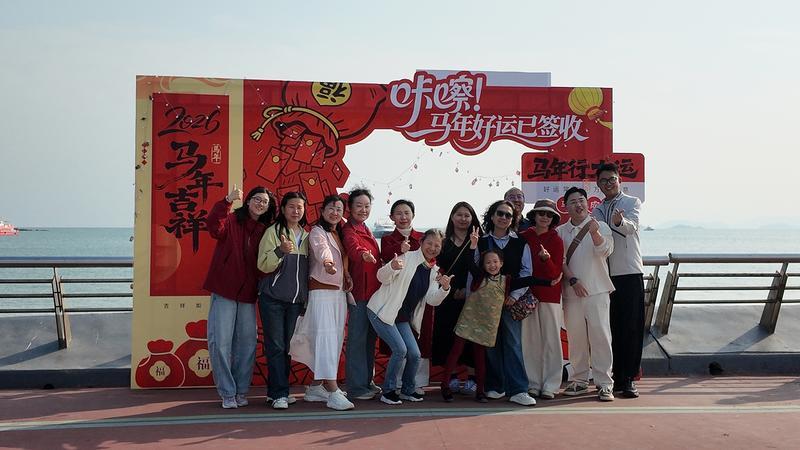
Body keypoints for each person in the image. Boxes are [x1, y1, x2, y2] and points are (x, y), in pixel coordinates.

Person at [441, 239, 558, 403]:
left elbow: (528, 280)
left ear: (501, 263)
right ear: (483, 265)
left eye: (495, 262)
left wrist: (549, 283)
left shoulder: (506, 281)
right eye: (488, 262)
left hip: (486, 325)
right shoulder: (478, 277)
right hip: (468, 321)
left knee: (480, 357)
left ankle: (480, 391)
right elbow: (470, 263)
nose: (492, 265)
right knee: (456, 351)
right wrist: (473, 246)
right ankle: (445, 386)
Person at [205, 184, 276, 409]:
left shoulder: (266, 230)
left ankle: (241, 391)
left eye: (265, 202)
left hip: (248, 294)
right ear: (248, 201)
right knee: (220, 343)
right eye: (257, 199)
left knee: (247, 344)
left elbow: (265, 264)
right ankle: (227, 392)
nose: (260, 204)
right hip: (224, 290)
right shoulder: (232, 220)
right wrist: (227, 200)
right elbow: (213, 227)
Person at [367, 229, 453, 405]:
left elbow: (431, 300)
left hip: (401, 318)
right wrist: (391, 266)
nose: (432, 248)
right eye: (429, 243)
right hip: (381, 312)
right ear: (421, 243)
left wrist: (444, 289)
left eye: (437, 245)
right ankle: (388, 391)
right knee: (400, 350)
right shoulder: (407, 257)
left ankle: (407, 389)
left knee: (415, 354)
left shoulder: (433, 271)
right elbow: (381, 277)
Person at [290, 195, 354, 411]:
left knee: (334, 340)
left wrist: (346, 275)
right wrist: (327, 262)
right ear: (322, 210)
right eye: (331, 208)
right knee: (326, 340)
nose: (335, 213)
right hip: (322, 293)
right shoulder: (317, 231)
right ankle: (333, 391)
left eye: (339, 209)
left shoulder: (338, 232)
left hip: (338, 294)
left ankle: (316, 387)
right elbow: (322, 250)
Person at [469, 200, 537, 406]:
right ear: (492, 216)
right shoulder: (481, 241)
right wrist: (473, 298)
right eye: (500, 213)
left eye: (508, 215)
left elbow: (526, 271)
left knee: (513, 343)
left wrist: (514, 295)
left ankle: (519, 389)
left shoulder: (520, 242)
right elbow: (474, 271)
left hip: (510, 302)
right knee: (490, 344)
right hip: (486, 302)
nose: (504, 218)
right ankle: (496, 386)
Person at [591, 162, 645, 398]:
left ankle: (629, 378)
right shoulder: (596, 210)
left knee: (631, 327)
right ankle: (611, 377)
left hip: (629, 272)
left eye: (612, 179)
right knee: (609, 328)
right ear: (598, 184)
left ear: (619, 180)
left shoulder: (631, 202)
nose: (608, 184)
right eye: (603, 181)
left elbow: (631, 228)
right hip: (604, 275)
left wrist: (618, 222)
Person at [557, 187, 616, 402]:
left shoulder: (600, 226)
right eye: (573, 201)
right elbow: (560, 261)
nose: (578, 204)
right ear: (566, 206)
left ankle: (604, 383)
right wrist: (573, 280)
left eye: (581, 200)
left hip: (597, 290)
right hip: (571, 292)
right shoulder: (561, 231)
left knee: (601, 336)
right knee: (576, 338)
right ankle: (579, 379)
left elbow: (606, 251)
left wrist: (594, 233)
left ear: (587, 203)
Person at [257, 191, 309, 410]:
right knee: (276, 346)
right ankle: (280, 394)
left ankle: (276, 392)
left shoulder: (307, 235)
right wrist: (280, 250)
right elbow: (263, 265)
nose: (296, 211)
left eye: (299, 207)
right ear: (283, 209)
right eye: (291, 207)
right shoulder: (273, 232)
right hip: (273, 299)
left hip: (295, 302)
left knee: (287, 347)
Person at [431, 202, 483, 396]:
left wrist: (468, 290)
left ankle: (472, 377)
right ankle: (451, 376)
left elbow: (485, 268)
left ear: (472, 218)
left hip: (473, 297)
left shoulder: (479, 240)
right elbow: (436, 269)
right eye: (459, 215)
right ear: (452, 217)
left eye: (467, 215)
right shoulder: (443, 242)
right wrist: (452, 291)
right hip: (447, 297)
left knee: (472, 337)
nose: (463, 219)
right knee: (448, 335)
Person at [379, 199, 430, 393]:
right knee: (400, 345)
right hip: (397, 297)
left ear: (413, 215)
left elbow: (432, 258)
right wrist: (399, 250)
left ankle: (417, 382)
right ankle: (397, 382)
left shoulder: (422, 238)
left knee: (419, 338)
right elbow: (385, 258)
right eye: (398, 213)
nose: (403, 217)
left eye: (407, 213)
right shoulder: (387, 239)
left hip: (418, 295)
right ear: (392, 217)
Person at [520, 199, 565, 400]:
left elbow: (556, 273)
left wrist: (546, 260)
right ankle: (533, 383)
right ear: (534, 215)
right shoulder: (523, 237)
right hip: (526, 294)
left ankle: (551, 385)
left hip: (550, 296)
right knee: (530, 341)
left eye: (549, 214)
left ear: (553, 218)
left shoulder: (556, 240)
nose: (545, 217)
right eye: (541, 213)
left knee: (551, 340)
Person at [341, 187, 383, 400]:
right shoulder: (349, 230)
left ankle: (367, 380)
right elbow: (353, 248)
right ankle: (356, 387)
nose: (363, 210)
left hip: (373, 294)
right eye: (359, 205)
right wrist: (363, 254)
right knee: (357, 340)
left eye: (367, 206)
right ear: (349, 208)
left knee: (369, 339)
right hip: (359, 294)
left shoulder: (366, 229)